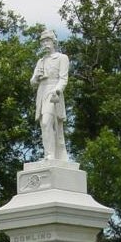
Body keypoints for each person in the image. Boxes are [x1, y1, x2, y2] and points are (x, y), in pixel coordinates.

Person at [30, 29, 69, 161]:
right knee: (43, 125)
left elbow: (63, 79)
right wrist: (36, 77)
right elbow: (32, 82)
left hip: (53, 93)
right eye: (43, 41)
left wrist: (57, 90)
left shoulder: (62, 58)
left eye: (47, 40)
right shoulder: (40, 61)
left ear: (53, 42)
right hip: (42, 92)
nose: (45, 43)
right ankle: (48, 154)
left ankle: (51, 155)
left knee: (47, 122)